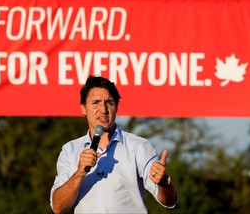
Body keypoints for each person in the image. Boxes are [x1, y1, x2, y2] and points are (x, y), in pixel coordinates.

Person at [50, 75, 177, 214]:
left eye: (109, 102)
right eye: (96, 102)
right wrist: (80, 173)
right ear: (83, 109)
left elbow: (169, 201)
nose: (103, 109)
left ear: (116, 107)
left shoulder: (139, 147)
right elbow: (57, 206)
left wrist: (164, 183)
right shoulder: (70, 150)